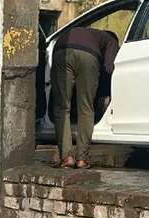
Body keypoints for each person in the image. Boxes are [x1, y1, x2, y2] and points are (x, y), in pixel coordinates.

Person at [51, 26, 119, 168]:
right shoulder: (111, 40)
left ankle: (66, 158)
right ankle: (82, 159)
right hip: (89, 55)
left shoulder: (91, 33)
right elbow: (108, 67)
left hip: (61, 49)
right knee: (86, 108)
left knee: (62, 107)